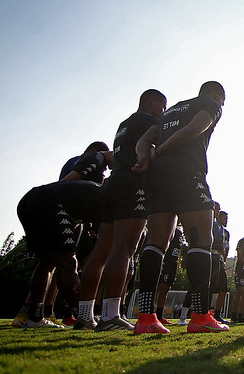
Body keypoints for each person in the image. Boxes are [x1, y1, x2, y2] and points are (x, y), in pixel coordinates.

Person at [132, 81, 227, 334]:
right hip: (186, 171)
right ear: (217, 96)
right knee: (201, 240)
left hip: (156, 176)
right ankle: (200, 316)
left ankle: (145, 317)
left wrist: (145, 156)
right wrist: (159, 151)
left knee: (156, 243)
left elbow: (143, 140)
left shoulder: (171, 110)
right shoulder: (210, 104)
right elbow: (198, 127)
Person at [77, 90, 167, 332]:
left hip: (112, 184)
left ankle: (84, 316)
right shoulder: (149, 121)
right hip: (131, 182)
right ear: (152, 102)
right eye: (162, 106)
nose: (163, 112)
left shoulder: (125, 123)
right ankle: (109, 316)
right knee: (125, 248)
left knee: (101, 251)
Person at [15, 180, 103, 328]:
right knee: (68, 262)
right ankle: (84, 318)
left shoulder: (88, 204)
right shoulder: (109, 202)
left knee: (47, 262)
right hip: (49, 202)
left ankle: (34, 316)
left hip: (29, 201)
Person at [154, 224, 187, 324]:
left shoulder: (181, 230)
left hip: (174, 261)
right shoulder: (170, 224)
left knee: (167, 287)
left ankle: (160, 315)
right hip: (166, 260)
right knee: (160, 286)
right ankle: (150, 311)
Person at [209, 208, 230, 323]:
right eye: (224, 218)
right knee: (210, 287)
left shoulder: (226, 232)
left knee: (224, 288)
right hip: (212, 259)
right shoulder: (213, 227)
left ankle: (217, 314)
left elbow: (226, 247)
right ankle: (206, 312)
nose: (226, 220)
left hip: (221, 262)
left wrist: (225, 260)